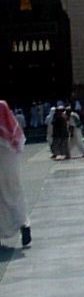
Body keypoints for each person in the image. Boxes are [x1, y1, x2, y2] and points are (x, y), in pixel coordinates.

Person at [0, 101, 31, 249]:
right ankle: (24, 224)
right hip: (10, 164)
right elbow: (18, 139)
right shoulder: (2, 106)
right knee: (14, 193)